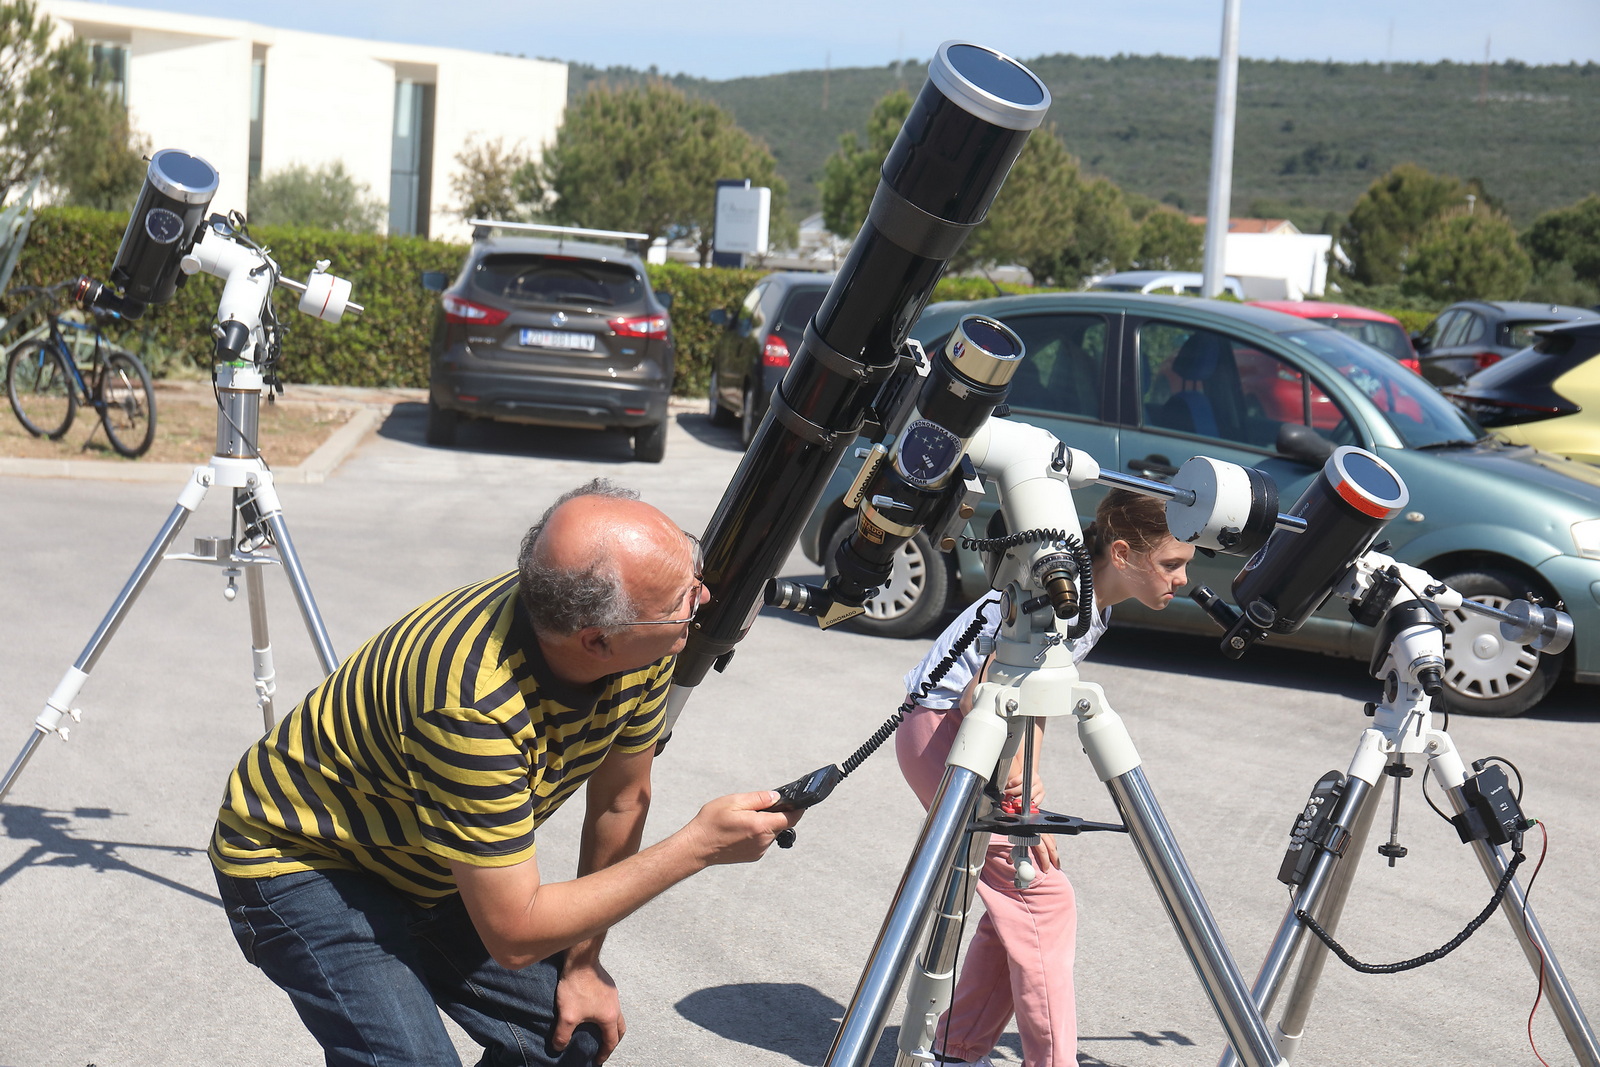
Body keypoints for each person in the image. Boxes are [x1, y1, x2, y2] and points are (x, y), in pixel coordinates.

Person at [209, 478, 801, 1067]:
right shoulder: (473, 704)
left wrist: (584, 962)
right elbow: (514, 934)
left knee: (572, 1037)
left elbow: (620, 803)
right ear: (596, 640)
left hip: (434, 860)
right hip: (304, 861)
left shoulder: (643, 643)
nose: (699, 599)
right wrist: (697, 847)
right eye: (678, 601)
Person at [895, 489, 1194, 1067]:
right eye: (1172, 564)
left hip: (974, 737)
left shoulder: (1090, 603)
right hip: (946, 734)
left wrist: (1028, 802)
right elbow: (988, 695)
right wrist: (1022, 808)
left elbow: (1035, 699)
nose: (1183, 578)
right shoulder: (1064, 595)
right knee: (1043, 901)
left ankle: (959, 1050)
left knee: (1020, 908)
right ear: (1125, 553)